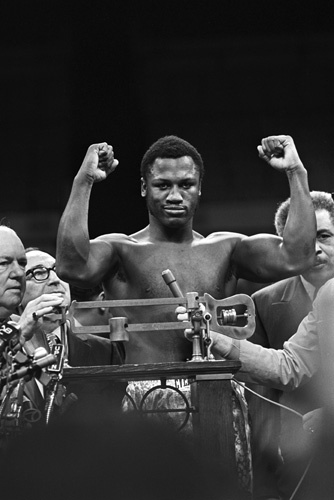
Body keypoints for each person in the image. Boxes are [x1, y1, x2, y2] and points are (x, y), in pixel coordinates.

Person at [56, 134, 316, 365]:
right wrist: (84, 181)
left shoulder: (227, 248)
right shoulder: (121, 250)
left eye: (186, 185)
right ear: (145, 188)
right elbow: (71, 267)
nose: (175, 196)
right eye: (163, 185)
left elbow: (297, 258)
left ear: (199, 187)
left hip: (216, 392)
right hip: (144, 395)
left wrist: (295, 171)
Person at [247, 191, 334, 500]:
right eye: (302, 241)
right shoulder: (264, 302)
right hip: (293, 456)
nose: (315, 249)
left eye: (324, 236)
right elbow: (260, 396)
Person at [16, 247, 125, 425]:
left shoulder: (106, 351)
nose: (54, 280)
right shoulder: (6, 347)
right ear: (17, 292)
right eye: (38, 273)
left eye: (58, 271)